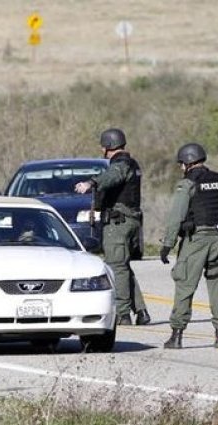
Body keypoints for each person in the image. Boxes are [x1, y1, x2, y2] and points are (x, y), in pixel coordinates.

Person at [159, 143, 218, 349]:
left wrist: (168, 244)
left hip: (196, 240)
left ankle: (176, 335)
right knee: (217, 283)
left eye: (182, 164)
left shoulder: (188, 184)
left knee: (184, 285)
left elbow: (176, 217)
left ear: (187, 162)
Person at [75, 128, 150, 326]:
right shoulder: (132, 163)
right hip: (129, 221)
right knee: (122, 266)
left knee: (116, 267)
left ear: (108, 146)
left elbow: (113, 177)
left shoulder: (121, 164)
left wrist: (91, 183)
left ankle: (123, 313)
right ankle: (141, 311)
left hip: (119, 222)